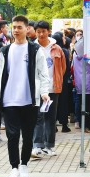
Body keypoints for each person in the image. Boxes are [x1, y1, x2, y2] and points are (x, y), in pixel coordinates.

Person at [0, 15, 50, 177]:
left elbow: (43, 74)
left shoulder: (35, 50)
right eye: (14, 27)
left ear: (27, 29)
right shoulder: (5, 51)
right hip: (9, 100)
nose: (16, 30)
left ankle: (24, 165)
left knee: (27, 136)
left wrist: (44, 92)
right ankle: (14, 168)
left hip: (29, 100)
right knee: (12, 135)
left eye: (20, 27)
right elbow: (0, 77)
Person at [31, 21, 66, 157]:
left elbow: (62, 68)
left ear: (49, 31)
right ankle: (37, 145)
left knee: (51, 118)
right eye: (38, 31)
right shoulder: (32, 47)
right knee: (37, 117)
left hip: (52, 88)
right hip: (37, 88)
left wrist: (55, 81)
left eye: (43, 31)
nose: (41, 34)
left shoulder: (57, 48)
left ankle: (48, 146)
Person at [73, 34, 90, 132]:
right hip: (89, 82)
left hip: (79, 83)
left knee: (82, 105)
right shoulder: (88, 56)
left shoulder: (75, 54)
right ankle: (88, 126)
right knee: (89, 106)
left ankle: (82, 124)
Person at [52, 32, 72, 133]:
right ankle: (64, 125)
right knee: (63, 102)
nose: (65, 39)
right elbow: (66, 67)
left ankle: (53, 125)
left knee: (55, 102)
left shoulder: (51, 50)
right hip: (63, 79)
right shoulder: (64, 51)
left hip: (54, 79)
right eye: (63, 37)